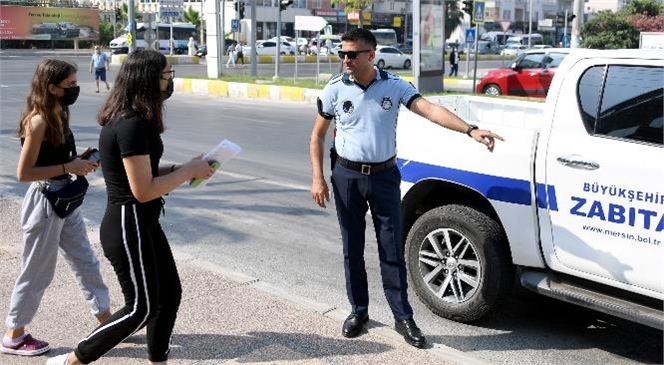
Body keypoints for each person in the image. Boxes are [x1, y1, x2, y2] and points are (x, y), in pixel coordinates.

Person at [309, 28, 503, 348]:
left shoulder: (394, 85)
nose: (345, 60)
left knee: (391, 248)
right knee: (352, 249)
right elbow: (316, 136)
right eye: (342, 54)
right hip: (347, 177)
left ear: (371, 55)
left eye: (352, 54)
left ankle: (403, 317)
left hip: (384, 177)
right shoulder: (334, 90)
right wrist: (318, 177)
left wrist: (470, 130)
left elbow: (430, 110)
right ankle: (359, 311)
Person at [45, 49, 214, 365]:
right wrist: (187, 173)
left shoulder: (137, 119)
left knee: (168, 295)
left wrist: (184, 166)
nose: (170, 81)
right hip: (128, 224)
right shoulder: (131, 123)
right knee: (140, 307)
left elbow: (144, 172)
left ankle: (157, 360)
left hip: (143, 222)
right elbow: (144, 190)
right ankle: (74, 359)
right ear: (150, 79)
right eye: (167, 75)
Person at [1, 59, 111, 357]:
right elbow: (24, 173)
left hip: (66, 200)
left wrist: (80, 159)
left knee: (86, 260)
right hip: (45, 202)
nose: (75, 89)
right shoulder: (38, 121)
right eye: (70, 85)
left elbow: (59, 157)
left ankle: (106, 319)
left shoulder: (59, 112)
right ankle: (13, 334)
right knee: (37, 271)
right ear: (52, 87)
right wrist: (68, 165)